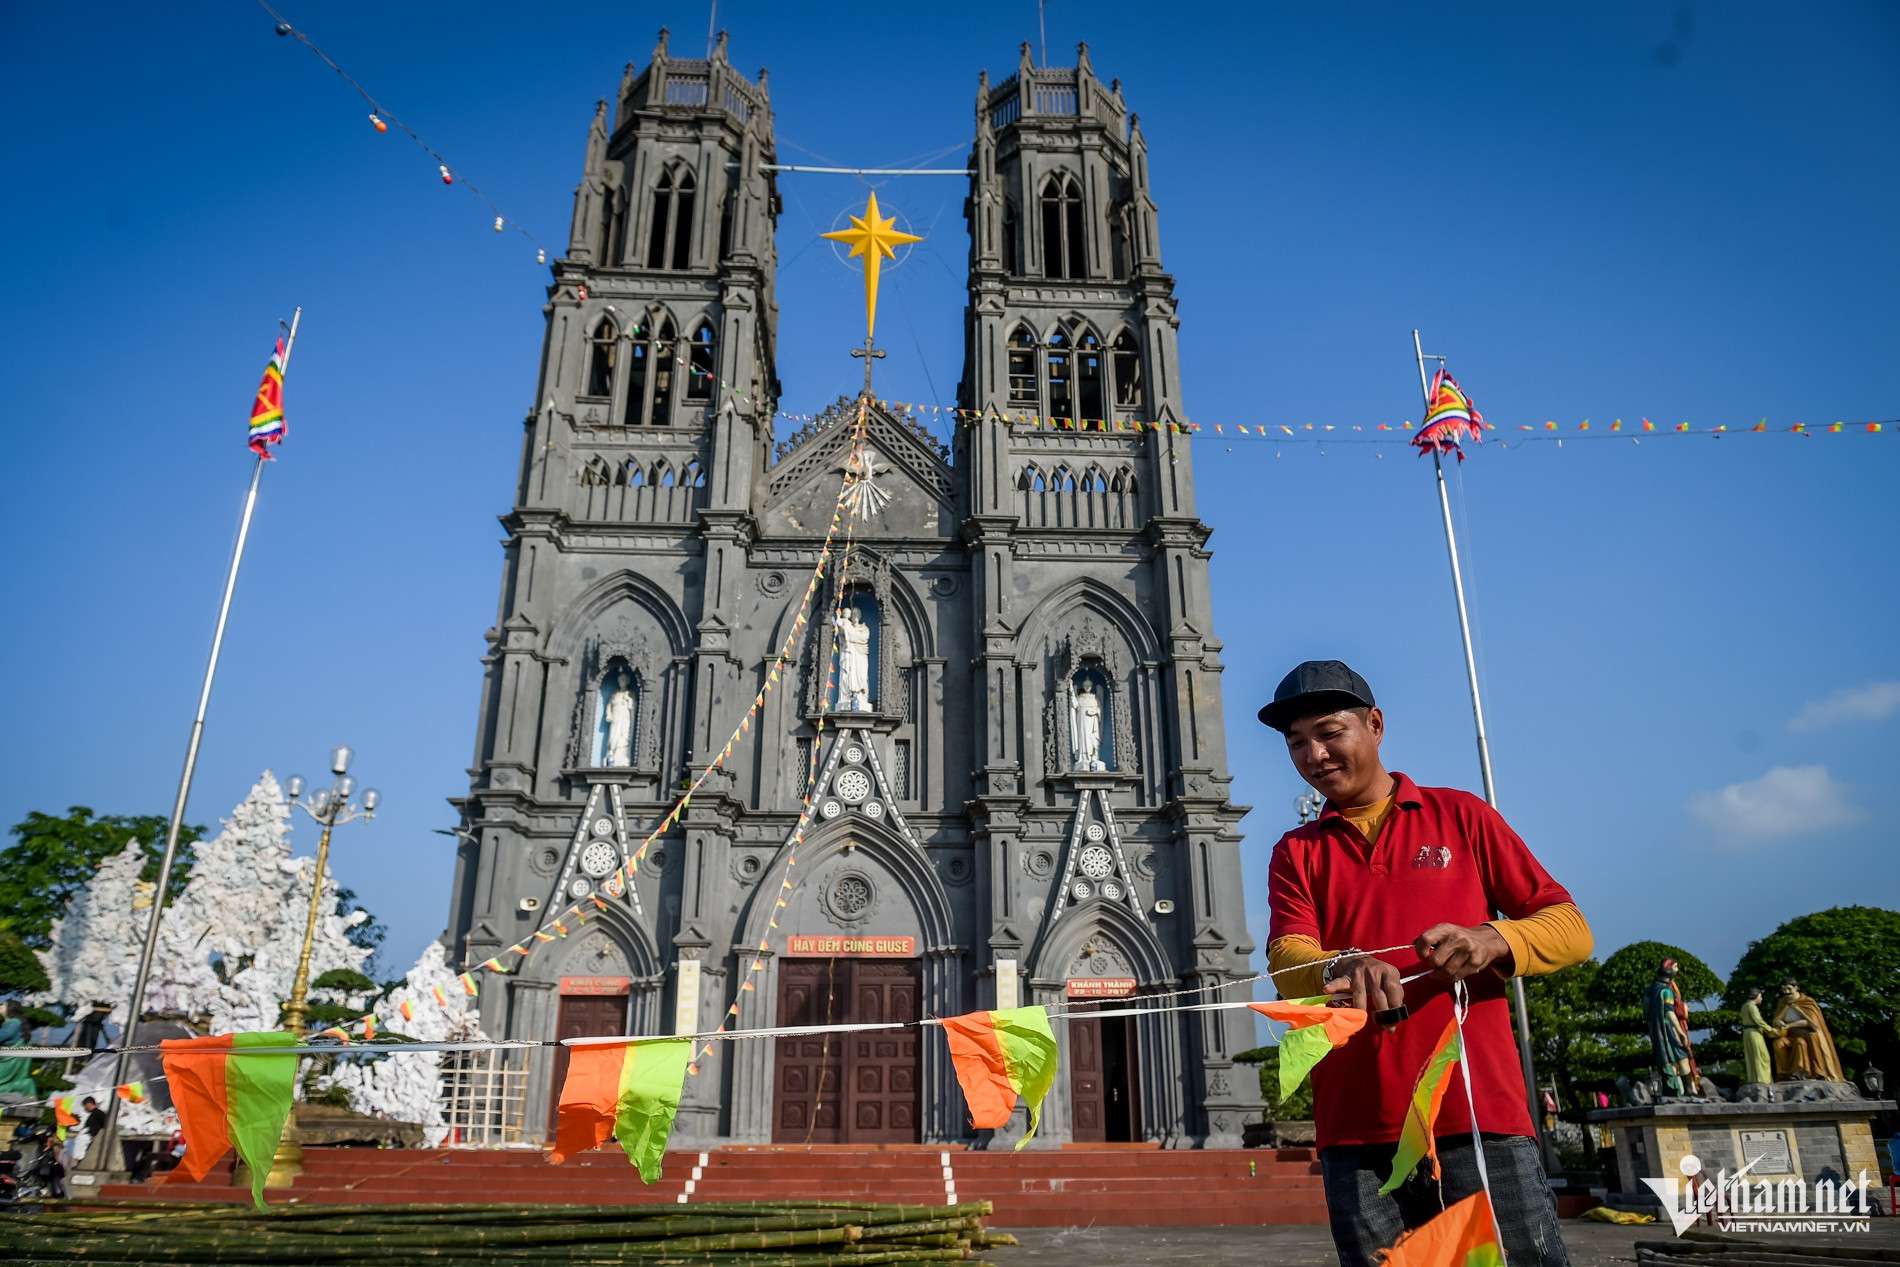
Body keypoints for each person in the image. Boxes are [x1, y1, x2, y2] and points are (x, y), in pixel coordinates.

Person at [1261, 660, 1593, 1267]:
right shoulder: (1297, 851)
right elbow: (1288, 958)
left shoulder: (1460, 816)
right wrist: (1345, 964)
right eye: (1297, 743)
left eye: (1330, 733)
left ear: (1376, 725)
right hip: (1358, 1129)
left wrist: (1491, 941)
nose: (1315, 755)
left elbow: (1570, 928)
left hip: (1475, 1117)